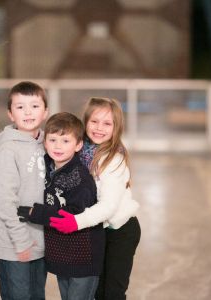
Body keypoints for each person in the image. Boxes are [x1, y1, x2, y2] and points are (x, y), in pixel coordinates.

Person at [50, 97, 141, 300]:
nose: (99, 128)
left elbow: (108, 206)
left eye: (107, 123)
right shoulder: (81, 152)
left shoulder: (112, 159)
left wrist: (76, 221)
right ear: (86, 122)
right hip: (98, 230)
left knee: (112, 293)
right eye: (94, 121)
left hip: (120, 232)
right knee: (96, 290)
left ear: (116, 128)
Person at [17, 112, 105, 300]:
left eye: (65, 141)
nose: (58, 146)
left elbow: (73, 215)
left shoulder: (79, 178)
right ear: (45, 142)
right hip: (62, 257)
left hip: (83, 260)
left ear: (78, 145)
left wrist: (36, 213)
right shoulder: (48, 168)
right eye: (53, 140)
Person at [0, 81, 48, 300]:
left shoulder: (49, 144)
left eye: (34, 106)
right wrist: (21, 240)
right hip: (15, 243)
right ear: (10, 114)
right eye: (20, 106)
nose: (27, 112)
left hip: (40, 241)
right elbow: (5, 202)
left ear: (45, 112)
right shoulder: (8, 149)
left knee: (37, 295)